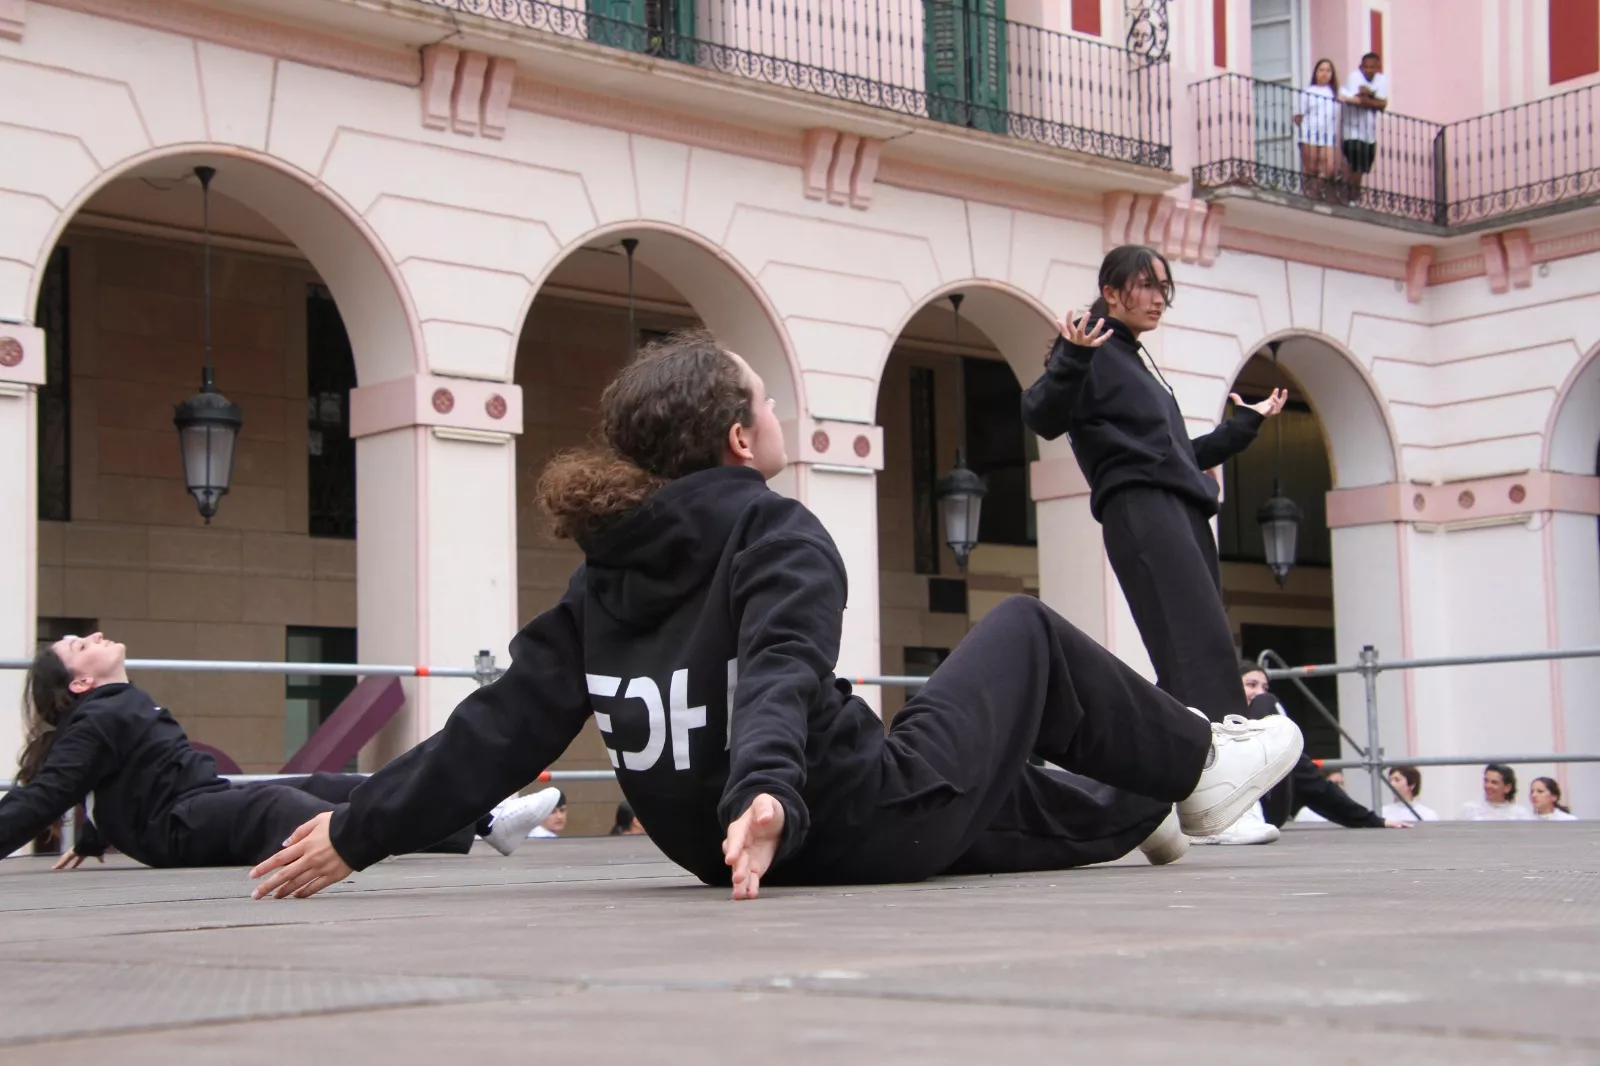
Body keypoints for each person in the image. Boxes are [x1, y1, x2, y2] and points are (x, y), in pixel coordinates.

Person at [250, 331, 1304, 902]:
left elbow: (499, 726)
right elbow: (780, 668)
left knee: (1002, 788)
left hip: (739, 843)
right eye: (764, 400)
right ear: (738, 439)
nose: (778, 413)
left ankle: (1138, 802)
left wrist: (357, 829)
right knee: (1023, 635)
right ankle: (1200, 765)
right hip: (837, 813)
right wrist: (767, 791)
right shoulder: (773, 526)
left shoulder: (604, 572)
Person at [2, 633, 562, 869]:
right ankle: (447, 826)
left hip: (195, 807)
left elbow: (110, 781)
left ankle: (485, 820)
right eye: (81, 645)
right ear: (80, 682)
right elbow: (52, 790)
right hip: (178, 824)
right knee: (279, 804)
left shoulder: (116, 707)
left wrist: (95, 837)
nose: (95, 637)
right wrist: (102, 832)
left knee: (333, 783)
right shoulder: (98, 717)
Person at [1021, 246, 1286, 726]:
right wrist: (1074, 357)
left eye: (1163, 288)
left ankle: (1181, 753)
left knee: (1203, 645)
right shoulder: (1089, 349)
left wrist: (1244, 424)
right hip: (1142, 508)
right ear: (1110, 292)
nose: (1159, 298)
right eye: (1146, 285)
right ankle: (1214, 750)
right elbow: (1041, 414)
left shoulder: (1138, 365)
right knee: (1193, 646)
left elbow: (1179, 457)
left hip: (1180, 509)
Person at [1236, 661, 1411, 831]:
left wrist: (1372, 820)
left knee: (1267, 706)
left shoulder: (1275, 737)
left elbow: (1317, 788)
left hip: (1263, 813)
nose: (1260, 692)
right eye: (1251, 685)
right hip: (1225, 811)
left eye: (1265, 687)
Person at [1338, 52, 1389, 198]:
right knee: (1357, 165)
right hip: (1351, 130)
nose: (1368, 70)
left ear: (1377, 68)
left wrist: (1368, 96)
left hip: (1369, 133)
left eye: (1372, 67)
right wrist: (1372, 98)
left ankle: (1348, 189)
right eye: (1365, 67)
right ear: (1361, 67)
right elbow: (1358, 101)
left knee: (1362, 168)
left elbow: (1383, 104)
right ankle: (1352, 197)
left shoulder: (1382, 79)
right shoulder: (1354, 77)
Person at [1292, 58, 1342, 199]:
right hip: (1310, 133)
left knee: (1328, 168)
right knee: (1311, 168)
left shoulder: (1334, 93)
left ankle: (1313, 192)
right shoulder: (1309, 92)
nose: (1325, 73)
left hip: (1328, 135)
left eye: (1328, 70)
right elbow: (1298, 116)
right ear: (1316, 73)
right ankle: (1310, 194)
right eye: (1321, 70)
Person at [1459, 764, 1534, 821]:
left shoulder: (1520, 814)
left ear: (1507, 788)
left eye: (1494, 782)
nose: (1488, 786)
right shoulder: (1469, 809)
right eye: (1486, 781)